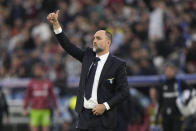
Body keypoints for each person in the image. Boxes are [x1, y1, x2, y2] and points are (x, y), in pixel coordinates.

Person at [47, 10, 129, 131]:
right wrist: (56, 25)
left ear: (108, 43)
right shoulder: (88, 55)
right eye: (94, 38)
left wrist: (105, 106)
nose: (94, 41)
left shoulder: (118, 65)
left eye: (98, 38)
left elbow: (123, 92)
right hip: (84, 118)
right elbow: (68, 46)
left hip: (104, 118)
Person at [23, 62, 58, 131]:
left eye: (38, 70)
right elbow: (27, 96)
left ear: (43, 71)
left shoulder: (48, 83)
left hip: (45, 110)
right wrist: (24, 108)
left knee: (46, 129)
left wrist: (56, 108)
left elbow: (53, 97)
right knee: (34, 129)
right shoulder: (31, 83)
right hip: (34, 110)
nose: (36, 72)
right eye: (35, 70)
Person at [155, 64, 188, 131]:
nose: (169, 72)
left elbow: (190, 92)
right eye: (167, 70)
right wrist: (157, 115)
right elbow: (160, 101)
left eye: (170, 70)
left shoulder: (181, 83)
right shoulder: (162, 85)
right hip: (165, 115)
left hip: (177, 115)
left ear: (175, 71)